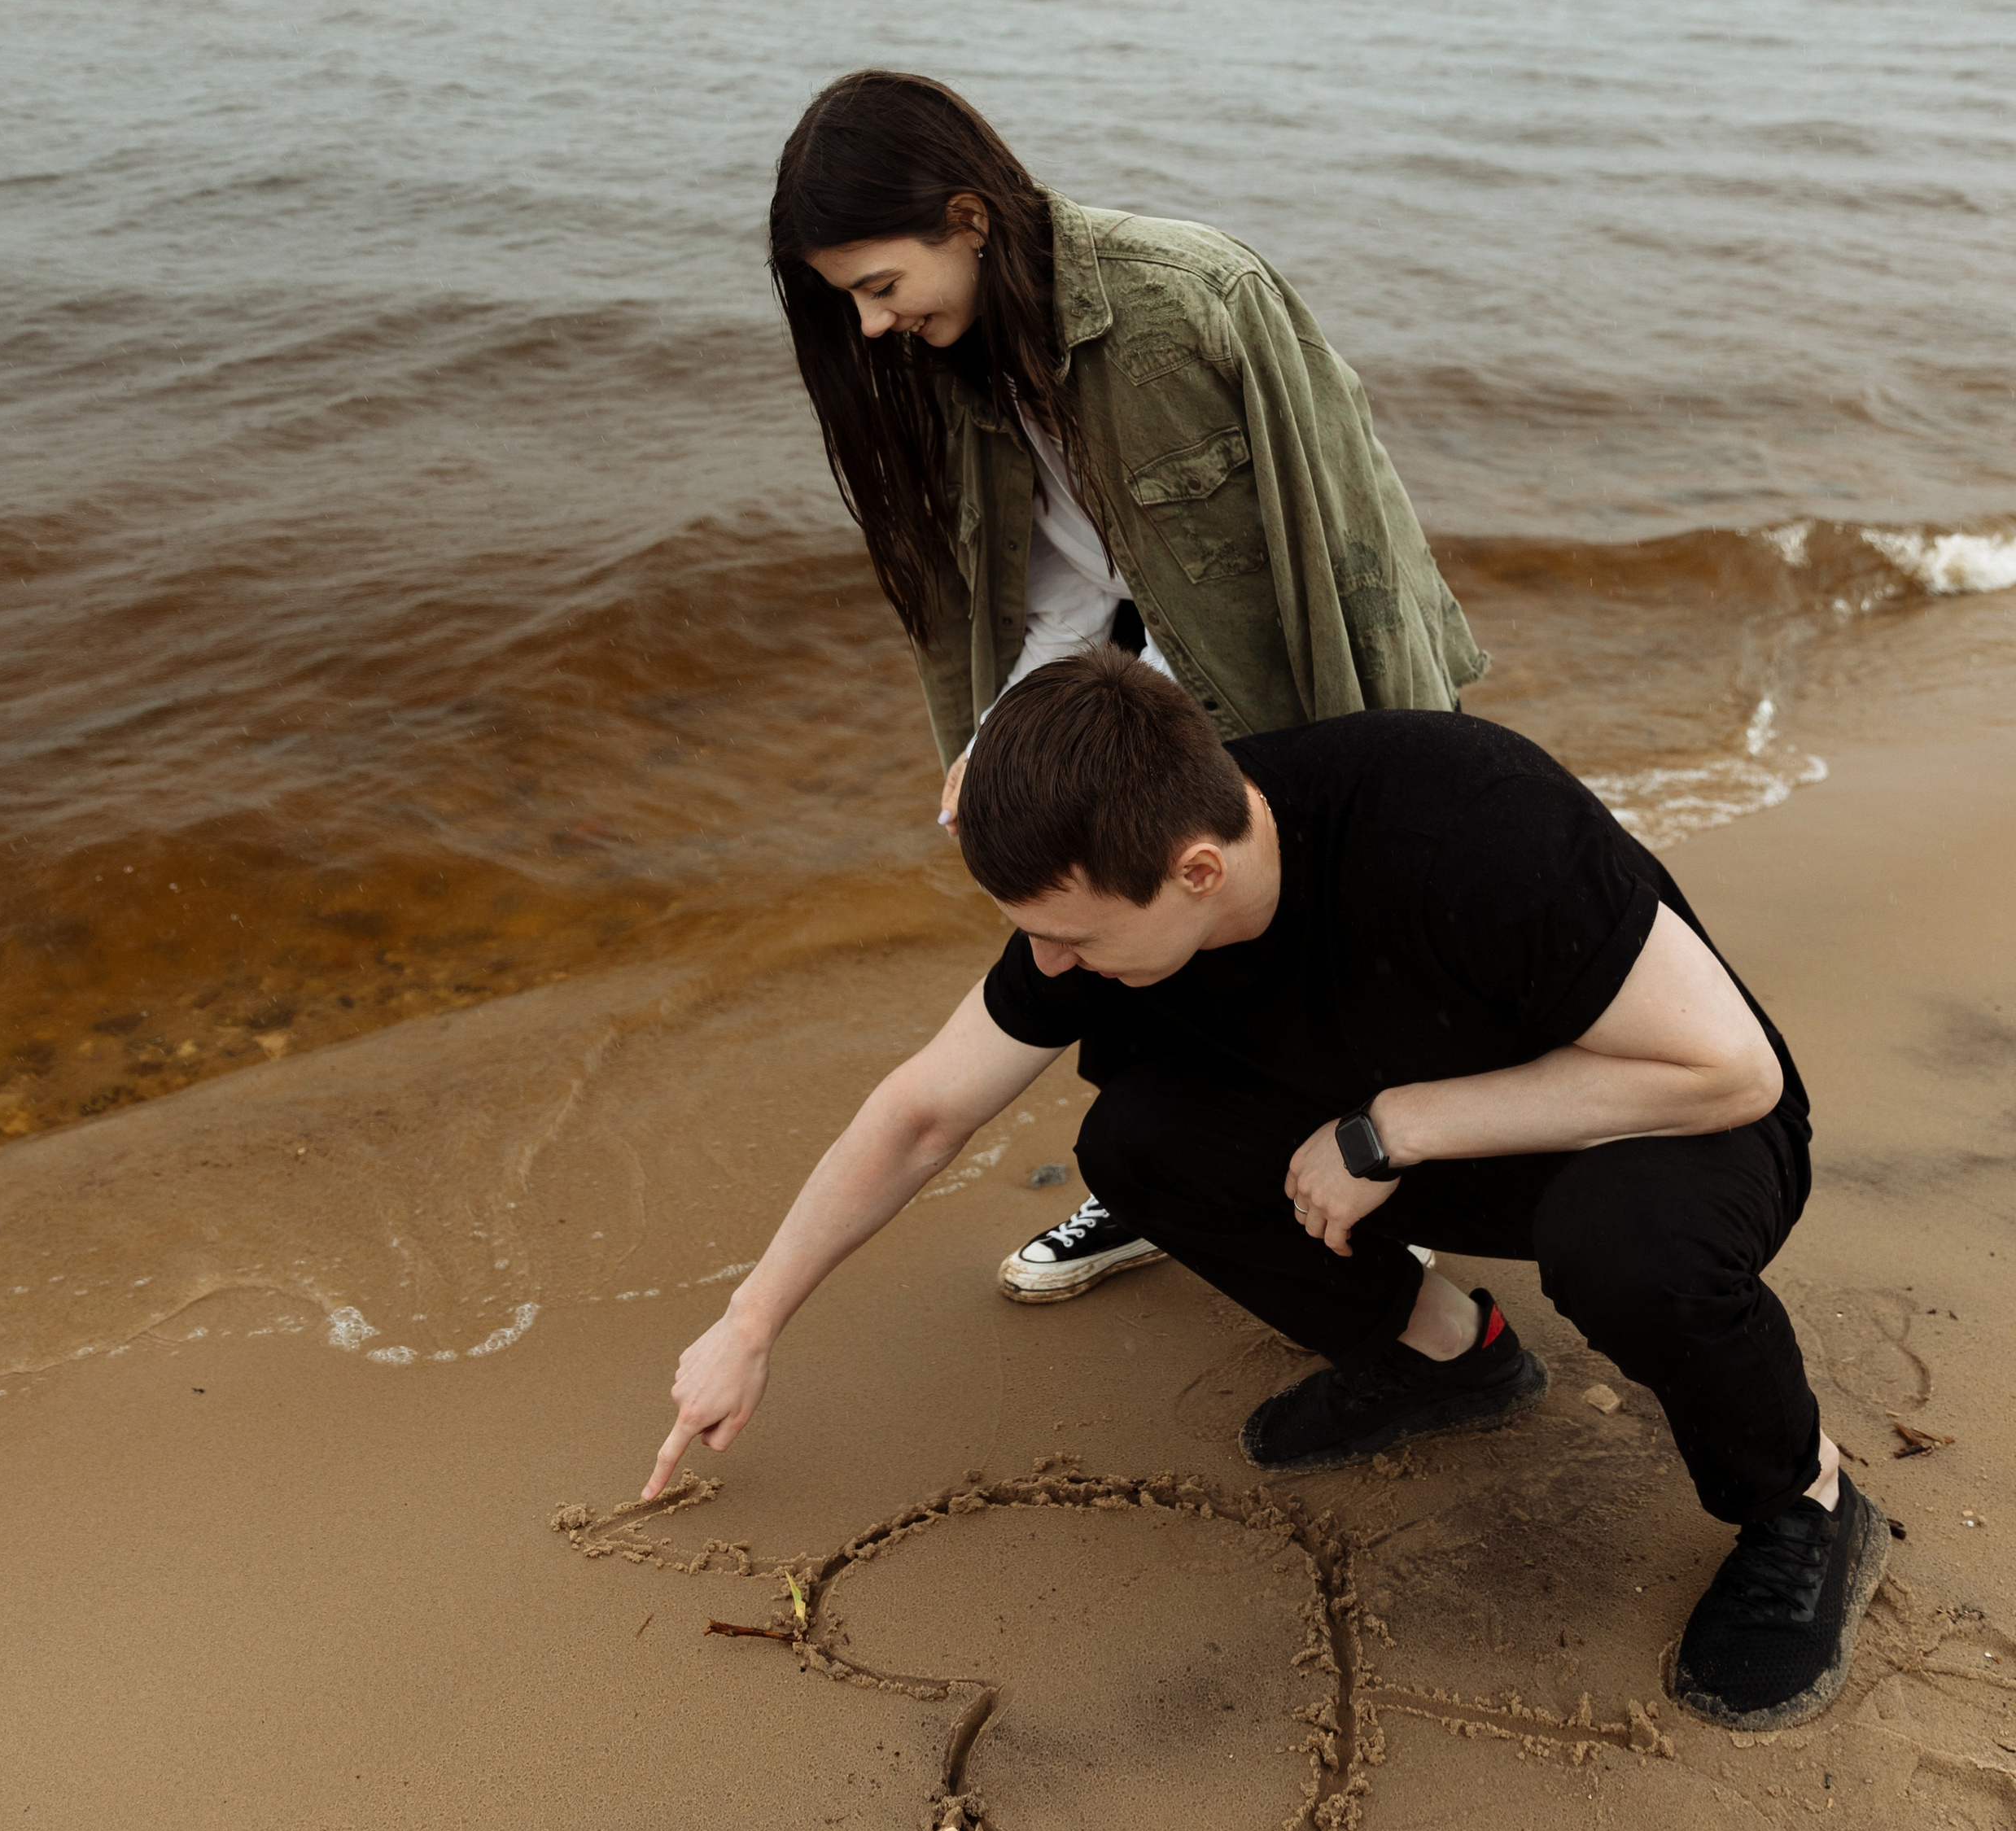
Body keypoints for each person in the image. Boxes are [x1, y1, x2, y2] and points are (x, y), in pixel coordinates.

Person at [645, 648, 1887, 1737]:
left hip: (1671, 1121)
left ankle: (1805, 1505)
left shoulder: (1466, 819)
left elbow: (1731, 1071)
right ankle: (1452, 1355)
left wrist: (1394, 1129)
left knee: (1628, 1253)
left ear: (1194, 871)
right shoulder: (1108, 860)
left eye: (1070, 936)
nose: (1048, 962)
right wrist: (750, 1323)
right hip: (1424, 1130)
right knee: (1141, 1142)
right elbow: (924, 1112)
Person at [769, 66, 1487, 1309]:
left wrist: (1413, 767)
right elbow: (1057, 589)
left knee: (1329, 963)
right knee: (1115, 932)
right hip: (1149, 700)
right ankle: (1170, 1185)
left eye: (882, 288)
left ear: (969, 218)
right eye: (853, 304)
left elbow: (1351, 539)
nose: (873, 326)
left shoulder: (1197, 297)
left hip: (1310, 694)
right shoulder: (963, 371)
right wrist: (1001, 739)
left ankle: (1386, 1190)